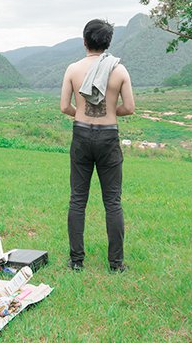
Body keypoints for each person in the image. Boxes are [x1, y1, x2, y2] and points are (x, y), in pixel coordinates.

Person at [59, 19, 135, 272]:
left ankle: (76, 261)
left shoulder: (72, 69)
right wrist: (110, 110)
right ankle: (116, 264)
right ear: (108, 43)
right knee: (112, 201)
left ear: (84, 41)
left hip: (81, 135)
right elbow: (130, 108)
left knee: (77, 200)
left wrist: (81, 112)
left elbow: (64, 107)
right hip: (108, 137)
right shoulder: (119, 70)